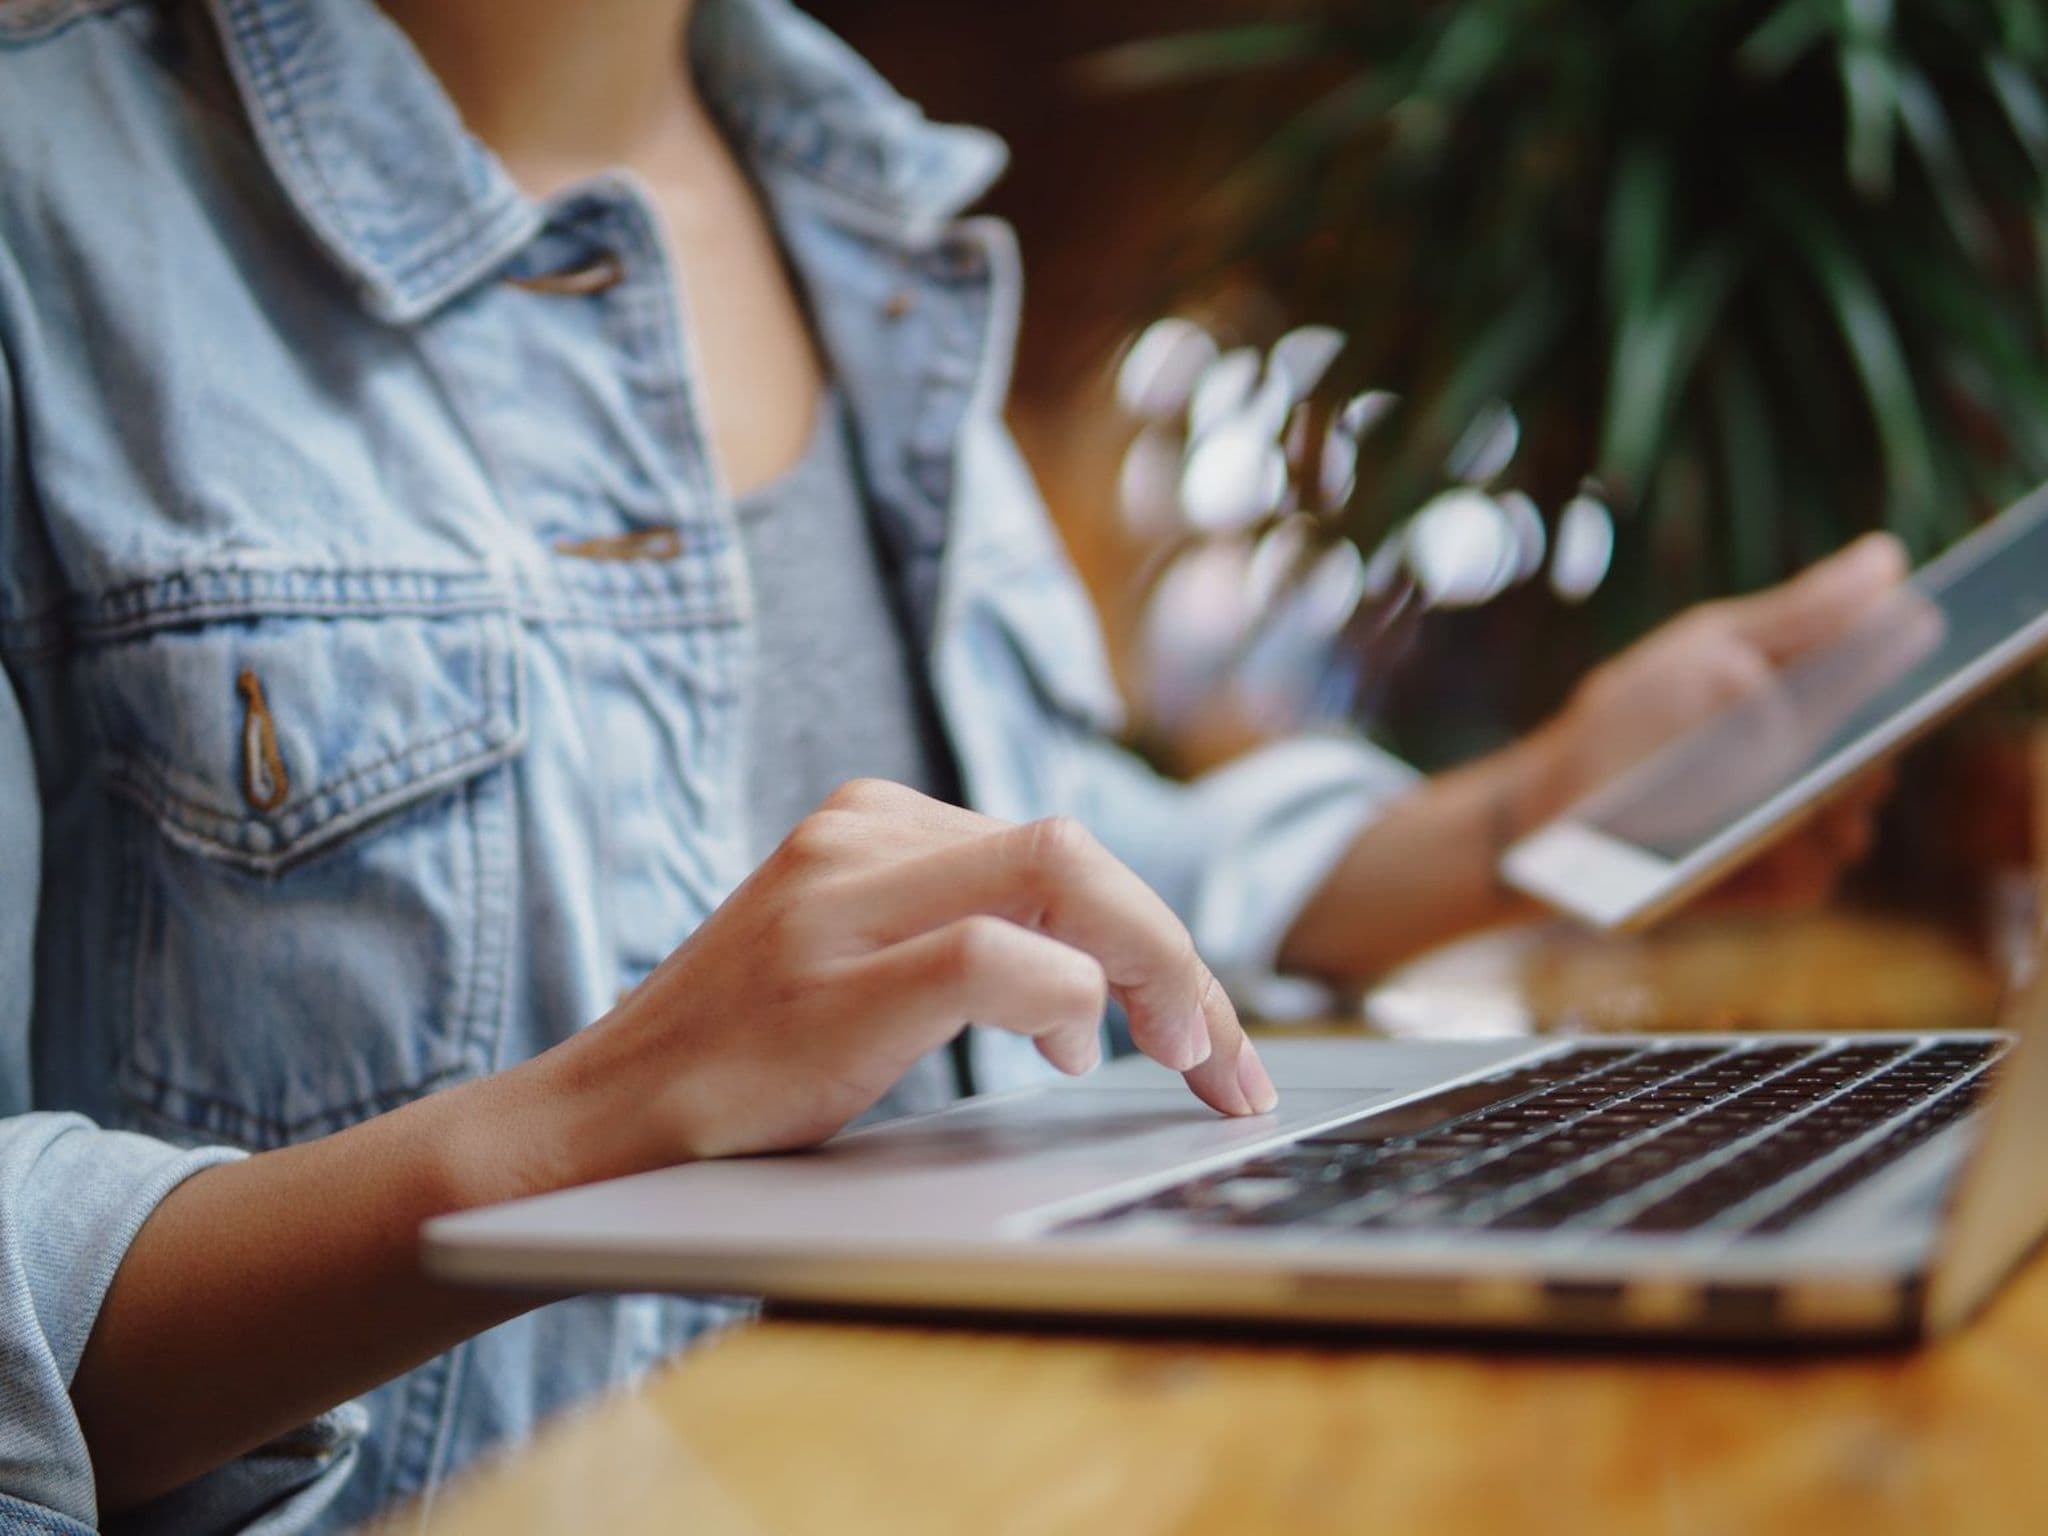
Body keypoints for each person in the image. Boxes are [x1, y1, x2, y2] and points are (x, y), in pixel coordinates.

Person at [0, 0, 1901, 1530]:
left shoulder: (862, 207)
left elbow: (1049, 872)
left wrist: (1539, 802)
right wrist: (578, 1136)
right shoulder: (48, 219)